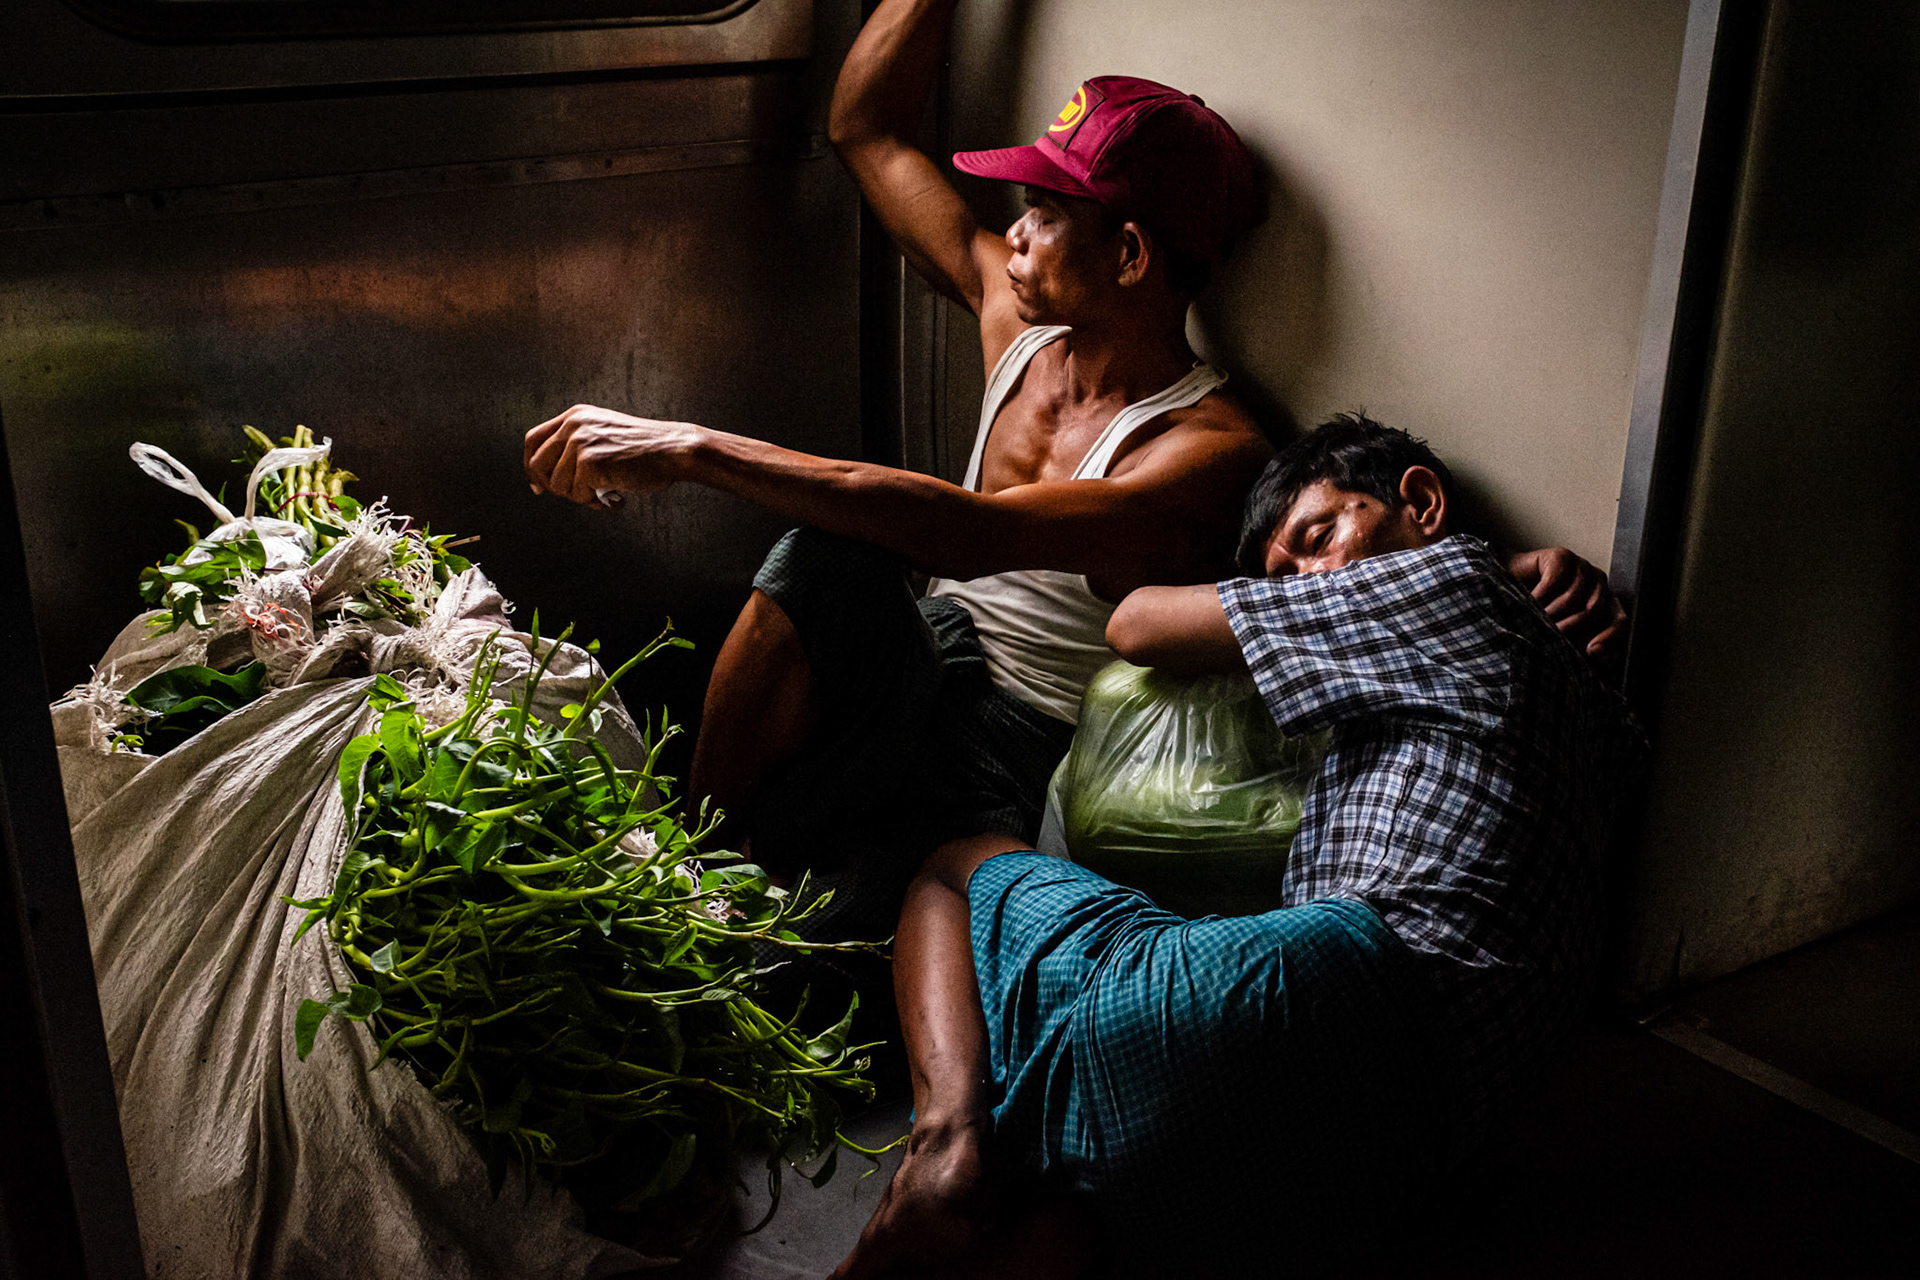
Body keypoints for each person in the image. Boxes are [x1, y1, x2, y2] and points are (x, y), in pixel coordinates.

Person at [521, 0, 1625, 904]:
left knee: (845, 922)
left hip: (1013, 737)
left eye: (1047, 211)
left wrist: (694, 446)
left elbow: (981, 532)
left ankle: (794, 881)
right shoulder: (1022, 319)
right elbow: (864, 128)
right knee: (825, 567)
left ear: (1133, 253)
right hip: (922, 654)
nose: (1017, 232)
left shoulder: (1211, 447)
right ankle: (673, 868)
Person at [831, 415, 1647, 1279]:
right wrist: (1524, 573)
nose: (1304, 584)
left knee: (952, 870)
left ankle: (945, 1146)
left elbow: (1137, 623)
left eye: (1317, 537)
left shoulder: (1448, 579)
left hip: (1343, 983)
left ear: (1420, 501)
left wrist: (1494, 567)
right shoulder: (1602, 719)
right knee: (1080, 1226)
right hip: (1422, 1142)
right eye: (1283, 576)